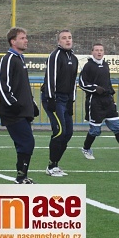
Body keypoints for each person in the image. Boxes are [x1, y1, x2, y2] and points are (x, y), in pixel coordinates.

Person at [0, 27, 39, 184]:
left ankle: (22, 177)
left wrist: (32, 104)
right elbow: (0, 84)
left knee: (25, 143)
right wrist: (14, 105)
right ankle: (21, 177)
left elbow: (22, 87)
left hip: (22, 112)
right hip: (13, 113)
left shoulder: (20, 59)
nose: (26, 40)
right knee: (27, 142)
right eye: (22, 38)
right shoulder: (8, 59)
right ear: (13, 41)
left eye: (26, 37)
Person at [78, 43, 119, 160]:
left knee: (118, 127)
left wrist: (111, 96)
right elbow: (82, 83)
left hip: (108, 102)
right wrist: (95, 89)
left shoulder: (105, 65)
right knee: (95, 130)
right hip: (94, 102)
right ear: (92, 52)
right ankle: (86, 148)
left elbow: (108, 82)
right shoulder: (88, 66)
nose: (99, 52)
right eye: (97, 50)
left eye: (101, 50)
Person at [41, 29, 78, 177]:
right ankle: (50, 167)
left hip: (65, 100)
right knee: (59, 131)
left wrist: (71, 102)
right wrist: (51, 99)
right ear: (58, 41)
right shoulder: (55, 56)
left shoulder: (74, 58)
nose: (67, 40)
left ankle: (56, 164)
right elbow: (50, 78)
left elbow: (73, 82)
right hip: (54, 99)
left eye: (69, 37)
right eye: (64, 38)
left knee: (68, 133)